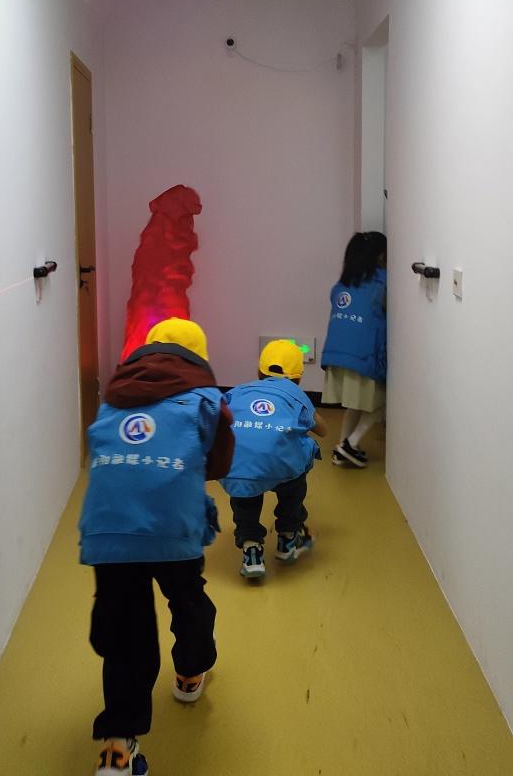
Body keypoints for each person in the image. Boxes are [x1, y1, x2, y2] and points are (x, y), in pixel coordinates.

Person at [78, 318, 235, 776]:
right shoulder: (208, 401)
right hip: (173, 529)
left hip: (109, 531)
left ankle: (117, 749)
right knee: (188, 601)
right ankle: (189, 672)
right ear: (198, 356)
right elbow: (219, 465)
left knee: (126, 631)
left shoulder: (112, 396)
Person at [220, 340, 327, 579]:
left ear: (259, 371)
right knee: (296, 473)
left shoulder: (236, 392)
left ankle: (251, 552)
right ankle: (288, 539)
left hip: (238, 470)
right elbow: (323, 430)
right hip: (282, 468)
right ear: (298, 376)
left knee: (244, 493)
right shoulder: (296, 395)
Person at [320, 231, 388, 468]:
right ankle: (351, 443)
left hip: (336, 355)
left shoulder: (342, 285)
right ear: (381, 256)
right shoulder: (384, 283)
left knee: (353, 403)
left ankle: (342, 449)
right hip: (363, 355)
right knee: (383, 401)